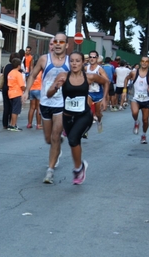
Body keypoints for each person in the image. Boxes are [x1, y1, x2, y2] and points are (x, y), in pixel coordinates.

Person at [48, 51, 109, 184]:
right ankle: (80, 166)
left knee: (73, 140)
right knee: (74, 142)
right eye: (72, 61)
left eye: (77, 61)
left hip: (84, 115)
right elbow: (49, 94)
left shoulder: (90, 77)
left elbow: (106, 82)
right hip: (67, 116)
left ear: (82, 63)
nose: (74, 63)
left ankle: (77, 169)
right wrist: (57, 86)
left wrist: (104, 99)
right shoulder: (63, 75)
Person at [23, 32, 70, 184]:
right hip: (45, 103)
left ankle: (49, 171)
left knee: (56, 136)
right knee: (48, 138)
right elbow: (32, 75)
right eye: (55, 41)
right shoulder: (44, 59)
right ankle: (57, 148)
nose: (57, 44)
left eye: (61, 42)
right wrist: (26, 91)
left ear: (66, 45)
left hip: (61, 104)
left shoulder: (71, 62)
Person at [124, 56, 149, 144]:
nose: (144, 63)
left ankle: (144, 135)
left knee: (145, 120)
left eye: (146, 61)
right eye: (143, 61)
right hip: (135, 98)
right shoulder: (134, 73)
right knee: (135, 112)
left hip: (145, 100)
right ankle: (136, 121)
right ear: (140, 62)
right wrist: (124, 91)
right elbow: (126, 79)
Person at [85, 50, 108, 133]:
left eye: (94, 57)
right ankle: (85, 130)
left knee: (98, 114)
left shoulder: (100, 69)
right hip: (89, 92)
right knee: (87, 111)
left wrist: (96, 79)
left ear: (97, 58)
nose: (92, 58)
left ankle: (99, 121)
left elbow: (107, 82)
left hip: (98, 93)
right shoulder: (86, 68)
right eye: (90, 57)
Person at [2, 52, 20, 129]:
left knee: (6, 107)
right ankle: (12, 123)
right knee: (13, 107)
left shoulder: (6, 66)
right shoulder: (15, 69)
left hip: (5, 87)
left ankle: (5, 124)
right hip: (13, 89)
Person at [7, 58, 25, 131]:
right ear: (19, 65)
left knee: (13, 110)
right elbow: (22, 85)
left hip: (10, 93)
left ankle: (11, 124)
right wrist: (26, 90)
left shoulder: (10, 73)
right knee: (16, 111)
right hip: (17, 93)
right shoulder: (18, 74)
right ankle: (13, 125)